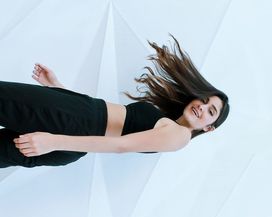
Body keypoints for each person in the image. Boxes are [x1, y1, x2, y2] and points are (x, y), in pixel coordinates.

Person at [0, 34, 230, 168]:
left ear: (209, 128)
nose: (202, 106)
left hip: (70, 129)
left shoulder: (179, 136)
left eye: (211, 112)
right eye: (204, 100)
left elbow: (120, 145)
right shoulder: (167, 123)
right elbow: (104, 125)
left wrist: (54, 142)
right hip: (72, 129)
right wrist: (57, 87)